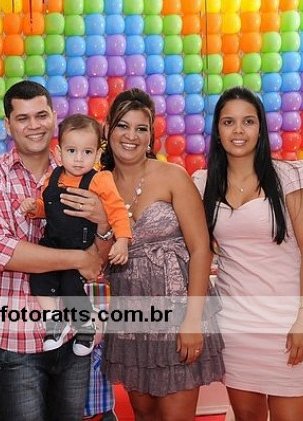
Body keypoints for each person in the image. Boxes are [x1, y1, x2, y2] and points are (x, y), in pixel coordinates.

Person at [0, 80, 109, 421]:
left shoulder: (84, 174)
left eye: (41, 115)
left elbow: (98, 261)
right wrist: (78, 257)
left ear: (54, 117)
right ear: (7, 124)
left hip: (73, 338)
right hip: (15, 341)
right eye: (23, 118)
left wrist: (103, 223)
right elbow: (0, 250)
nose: (34, 125)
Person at [192, 86, 303, 421]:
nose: (238, 131)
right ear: (217, 131)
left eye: (248, 121)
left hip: (289, 322)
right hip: (235, 327)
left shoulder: (290, 176)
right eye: (229, 122)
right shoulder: (203, 184)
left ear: (260, 128)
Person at [99, 88, 225, 420]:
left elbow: (200, 249)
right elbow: (97, 259)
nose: (131, 136)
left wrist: (193, 320)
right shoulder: (98, 184)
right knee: (144, 415)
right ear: (107, 129)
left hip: (179, 311)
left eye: (141, 128)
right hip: (131, 315)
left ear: (150, 137)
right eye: (123, 126)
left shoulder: (173, 176)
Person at [20, 113, 132, 356]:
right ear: (59, 153)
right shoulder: (52, 178)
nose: (79, 159)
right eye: (72, 151)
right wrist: (35, 209)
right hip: (52, 245)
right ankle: (54, 321)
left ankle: (85, 326)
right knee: (39, 281)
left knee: (71, 287)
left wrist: (122, 241)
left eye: (87, 152)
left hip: (79, 247)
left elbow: (117, 211)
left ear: (97, 154)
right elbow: (49, 208)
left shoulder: (100, 180)